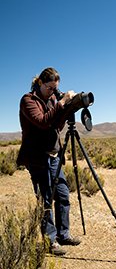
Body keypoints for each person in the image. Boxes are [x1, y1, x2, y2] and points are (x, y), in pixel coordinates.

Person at [17, 67, 82, 256]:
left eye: (55, 88)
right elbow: (43, 121)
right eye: (50, 88)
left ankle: (64, 234)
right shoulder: (28, 100)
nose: (53, 91)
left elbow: (56, 124)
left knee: (62, 195)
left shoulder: (53, 99)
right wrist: (61, 103)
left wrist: (70, 105)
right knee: (45, 199)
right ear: (40, 83)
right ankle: (50, 241)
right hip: (37, 157)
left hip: (54, 155)